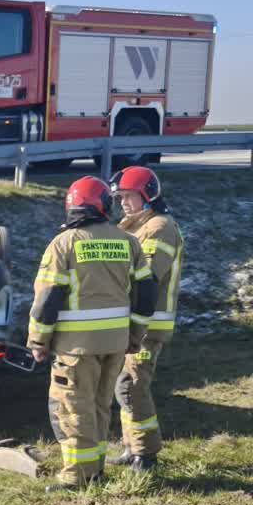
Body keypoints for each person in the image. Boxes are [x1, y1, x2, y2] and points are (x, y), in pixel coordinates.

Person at [26, 177, 158, 491]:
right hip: (115, 343)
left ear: (71, 206)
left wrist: (38, 341)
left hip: (76, 347)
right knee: (100, 406)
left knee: (73, 408)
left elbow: (47, 299)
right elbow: (147, 293)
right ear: (105, 205)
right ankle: (95, 470)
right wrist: (135, 334)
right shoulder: (127, 241)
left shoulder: (64, 243)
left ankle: (77, 477)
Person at [107, 167, 185, 472]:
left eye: (129, 196)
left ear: (148, 195)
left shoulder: (159, 228)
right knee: (123, 384)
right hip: (133, 321)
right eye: (120, 197)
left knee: (131, 386)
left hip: (148, 324)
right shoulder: (134, 227)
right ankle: (132, 447)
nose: (124, 203)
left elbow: (147, 278)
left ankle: (147, 455)